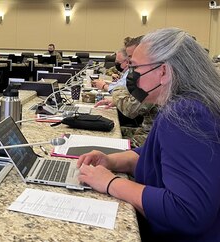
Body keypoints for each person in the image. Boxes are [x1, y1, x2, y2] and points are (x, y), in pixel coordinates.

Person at [77, 28, 220, 241]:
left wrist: (110, 183)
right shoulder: (186, 104)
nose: (131, 75)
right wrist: (110, 161)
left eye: (135, 67)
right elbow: (153, 155)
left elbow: (187, 212)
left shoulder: (186, 113)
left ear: (163, 72)